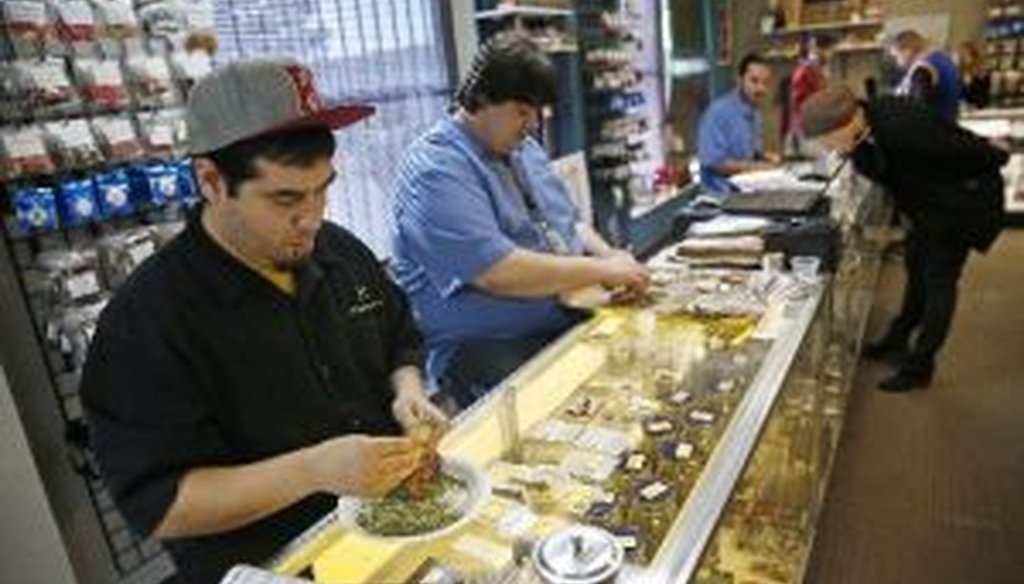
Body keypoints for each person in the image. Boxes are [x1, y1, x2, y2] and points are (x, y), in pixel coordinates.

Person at [81, 58, 449, 582]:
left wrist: (407, 389)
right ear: (211, 181)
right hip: (274, 562)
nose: (313, 219)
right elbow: (164, 504)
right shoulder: (146, 324)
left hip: (389, 527)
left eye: (323, 189)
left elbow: (398, 336)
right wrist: (315, 470)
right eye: (286, 199)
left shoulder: (338, 251)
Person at [392, 32, 650, 409]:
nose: (532, 124)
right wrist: (600, 271)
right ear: (480, 97)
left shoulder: (523, 148)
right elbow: (496, 271)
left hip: (564, 311)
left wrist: (612, 258)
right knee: (570, 416)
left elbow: (569, 224)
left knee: (638, 370)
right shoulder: (435, 169)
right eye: (522, 111)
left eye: (538, 113)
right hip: (486, 345)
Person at [801, 87, 1008, 392]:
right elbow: (887, 171)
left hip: (959, 205)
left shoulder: (901, 128)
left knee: (939, 281)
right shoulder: (867, 126)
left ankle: (920, 366)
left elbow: (969, 152)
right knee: (916, 268)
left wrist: (996, 155)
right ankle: (897, 339)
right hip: (929, 208)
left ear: (845, 124)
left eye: (826, 139)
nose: (827, 147)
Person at [697, 52, 780, 194]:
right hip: (719, 197)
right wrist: (754, 167)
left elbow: (747, 152)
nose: (760, 88)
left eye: (765, 83)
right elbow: (713, 162)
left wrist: (764, 156)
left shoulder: (755, 113)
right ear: (739, 80)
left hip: (744, 192)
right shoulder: (719, 112)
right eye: (754, 81)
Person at [889, 29, 963, 122]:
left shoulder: (923, 69)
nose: (897, 62)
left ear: (907, 51)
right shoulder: (944, 60)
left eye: (897, 56)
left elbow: (917, 107)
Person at [785, 34, 836, 156]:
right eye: (830, 50)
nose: (831, 54)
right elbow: (805, 102)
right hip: (806, 130)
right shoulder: (807, 71)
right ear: (818, 49)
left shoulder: (819, 70)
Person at [957, 40, 992, 109]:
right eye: (961, 55)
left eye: (964, 54)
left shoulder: (981, 73)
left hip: (975, 110)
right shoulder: (961, 72)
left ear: (973, 55)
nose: (961, 57)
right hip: (962, 108)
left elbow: (982, 96)